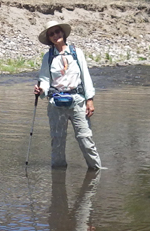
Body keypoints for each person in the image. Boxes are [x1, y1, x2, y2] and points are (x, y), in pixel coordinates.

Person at [34, 21, 104, 171]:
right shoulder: (48, 57)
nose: (55, 35)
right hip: (55, 104)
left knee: (85, 138)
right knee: (57, 141)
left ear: (63, 33)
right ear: (49, 38)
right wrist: (41, 90)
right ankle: (58, 176)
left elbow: (85, 76)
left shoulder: (77, 53)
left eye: (57, 32)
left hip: (78, 101)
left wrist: (89, 100)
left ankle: (96, 170)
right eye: (51, 34)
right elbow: (45, 80)